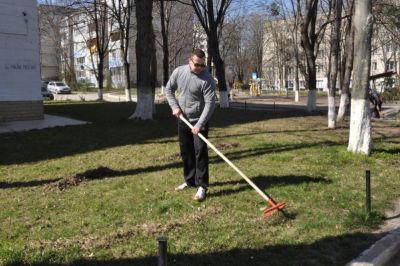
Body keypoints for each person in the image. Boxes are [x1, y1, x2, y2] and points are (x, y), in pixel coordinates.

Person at [165, 49, 216, 201]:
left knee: (200, 152)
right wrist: (174, 107)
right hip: (183, 118)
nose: (200, 68)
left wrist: (200, 124)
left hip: (200, 119)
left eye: (203, 65)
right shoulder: (179, 72)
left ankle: (202, 186)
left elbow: (210, 104)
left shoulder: (207, 80)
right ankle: (190, 180)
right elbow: (169, 89)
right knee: (186, 151)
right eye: (197, 65)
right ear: (189, 61)